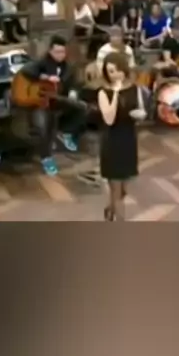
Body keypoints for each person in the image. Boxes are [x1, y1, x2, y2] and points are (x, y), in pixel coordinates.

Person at [21, 35, 87, 176]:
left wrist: (73, 92)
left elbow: (74, 84)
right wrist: (45, 77)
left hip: (59, 99)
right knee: (43, 128)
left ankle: (66, 132)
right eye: (57, 52)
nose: (60, 55)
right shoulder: (41, 63)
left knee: (82, 108)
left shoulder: (68, 67)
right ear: (50, 51)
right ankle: (46, 158)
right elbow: (26, 71)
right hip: (41, 101)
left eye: (63, 52)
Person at [98, 51, 146, 220]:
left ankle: (110, 207)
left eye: (118, 70)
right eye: (111, 71)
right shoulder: (103, 92)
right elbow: (109, 119)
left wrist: (140, 115)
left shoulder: (134, 88)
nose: (115, 74)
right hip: (112, 141)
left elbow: (141, 110)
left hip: (128, 140)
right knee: (116, 188)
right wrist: (116, 94)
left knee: (123, 189)